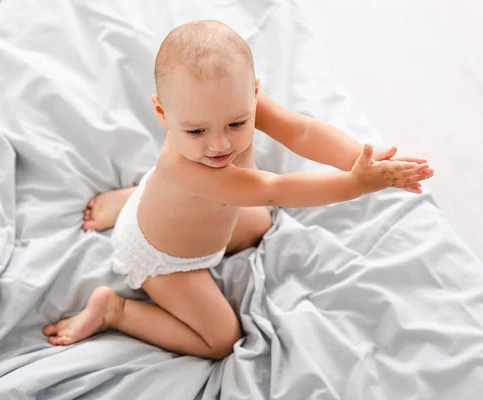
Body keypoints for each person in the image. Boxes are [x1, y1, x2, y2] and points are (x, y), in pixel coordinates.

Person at [43, 20, 434, 360]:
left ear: (253, 93)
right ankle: (116, 311)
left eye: (236, 124)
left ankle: (133, 199)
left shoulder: (228, 102)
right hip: (166, 259)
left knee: (262, 224)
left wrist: (361, 159)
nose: (220, 145)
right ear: (162, 113)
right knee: (220, 339)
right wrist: (355, 185)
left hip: (205, 213)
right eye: (196, 131)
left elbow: (302, 131)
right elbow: (274, 189)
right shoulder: (187, 168)